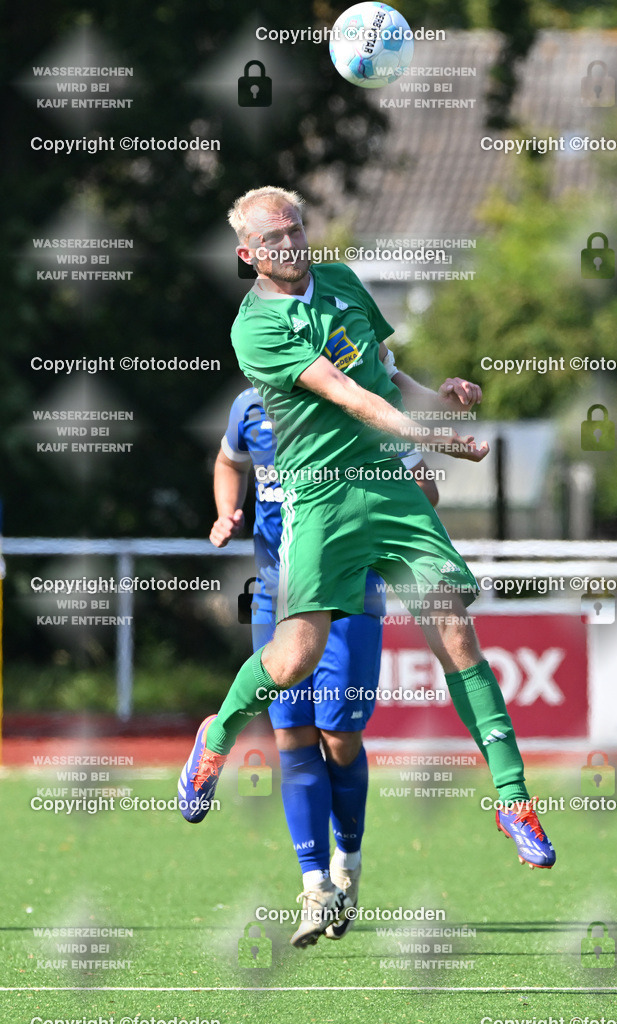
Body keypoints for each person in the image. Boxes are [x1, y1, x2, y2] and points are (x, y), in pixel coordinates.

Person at [179, 185, 555, 935]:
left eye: (296, 230)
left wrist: (439, 400)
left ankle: (513, 799)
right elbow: (346, 394)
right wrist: (429, 437)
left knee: (455, 632)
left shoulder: (344, 282)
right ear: (248, 254)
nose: (291, 245)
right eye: (274, 239)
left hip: (388, 488)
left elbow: (384, 376)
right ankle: (214, 737)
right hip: (321, 498)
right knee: (292, 660)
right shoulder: (255, 327)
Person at [207, 387, 437, 947]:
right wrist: (225, 511)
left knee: (339, 739)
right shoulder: (248, 407)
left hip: (349, 593)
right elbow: (228, 462)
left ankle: (347, 862)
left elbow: (424, 484)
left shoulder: (361, 402)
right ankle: (315, 886)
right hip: (274, 596)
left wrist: (393, 500)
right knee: (291, 737)